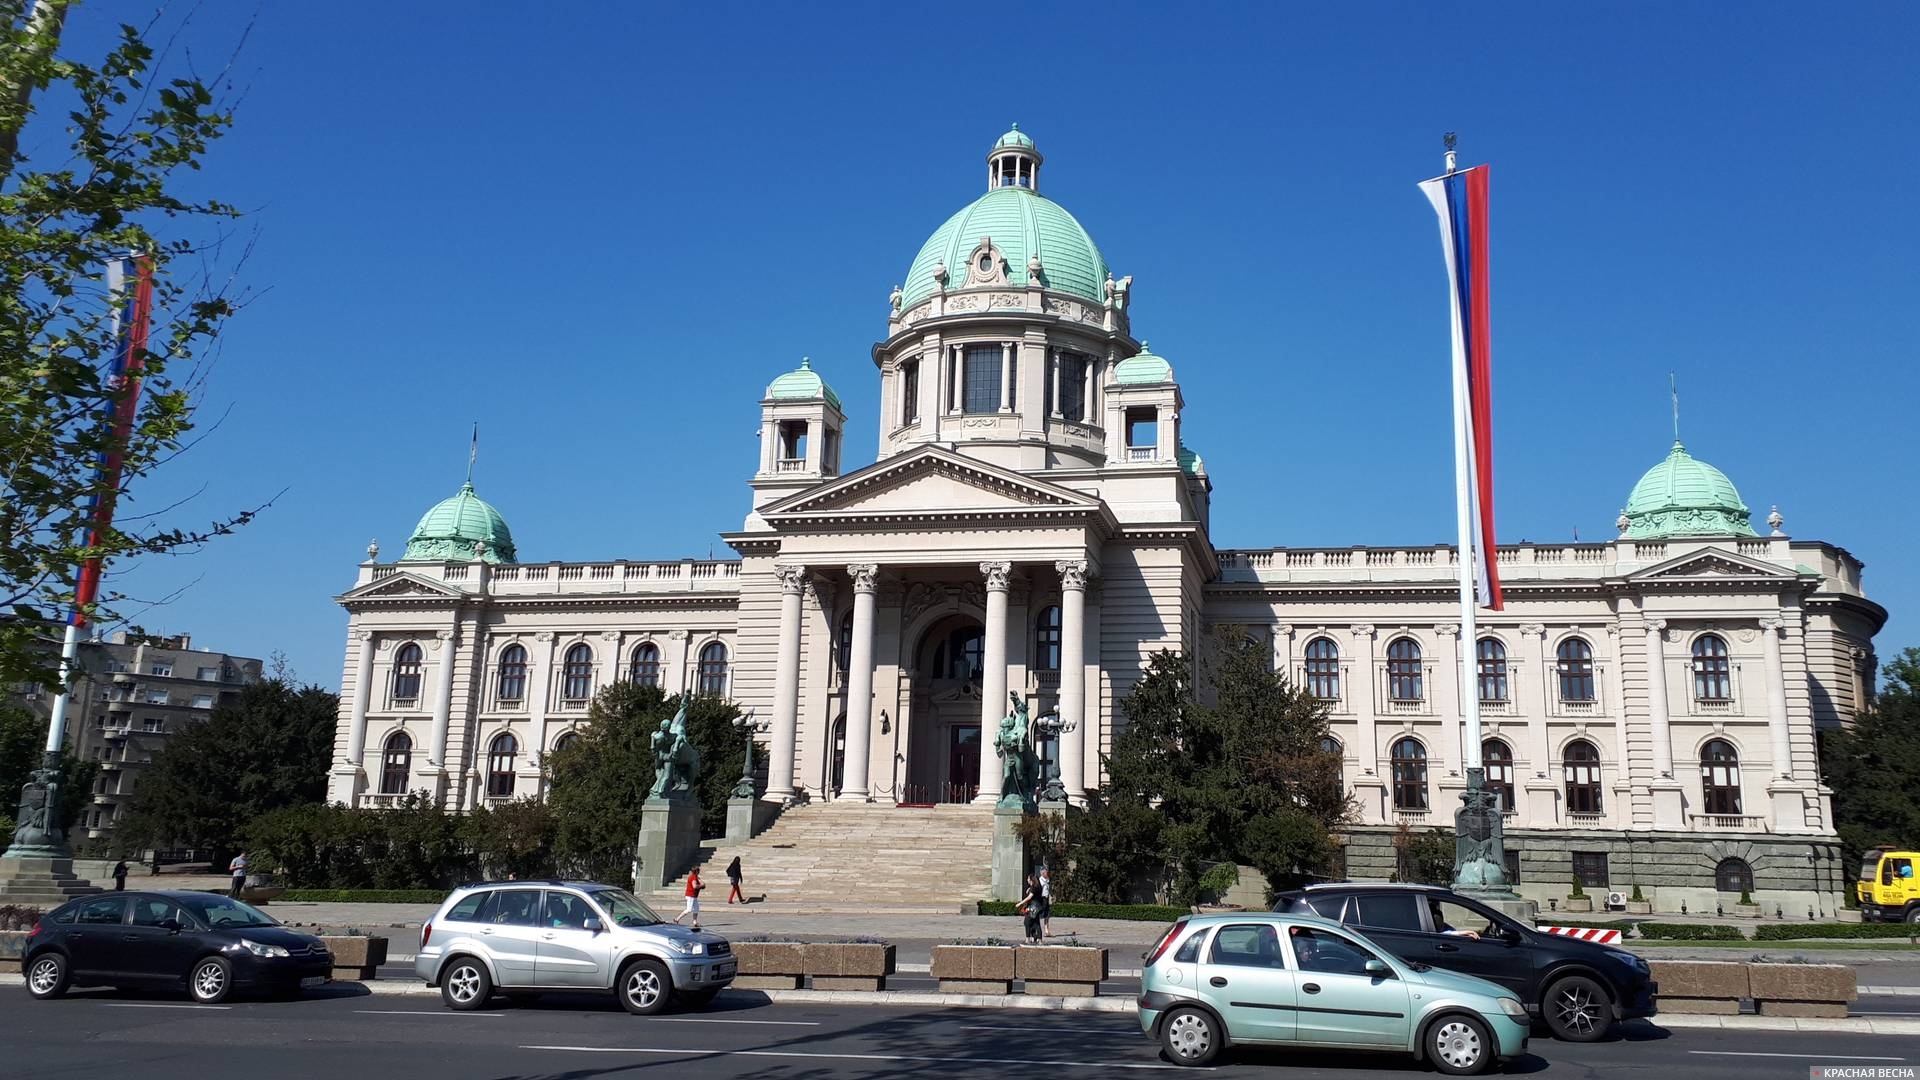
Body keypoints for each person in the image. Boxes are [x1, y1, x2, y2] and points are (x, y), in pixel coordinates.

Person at [1016, 873, 1043, 944]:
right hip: (1037, 908)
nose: (1027, 880)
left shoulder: (1033, 888)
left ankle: (1027, 939)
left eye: (1028, 878)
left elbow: (1029, 897)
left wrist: (1020, 903)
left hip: (1032, 908)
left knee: (1027, 922)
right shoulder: (1038, 887)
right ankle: (1039, 940)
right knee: (1037, 923)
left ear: (1031, 880)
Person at [1036, 864, 1053, 939]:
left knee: (1047, 915)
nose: (1046, 873)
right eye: (1045, 872)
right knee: (1039, 915)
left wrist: (1051, 896)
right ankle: (1037, 930)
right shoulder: (1039, 880)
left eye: (1046, 872)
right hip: (1041, 899)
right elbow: (1037, 890)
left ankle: (1046, 930)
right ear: (1042, 873)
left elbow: (1049, 889)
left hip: (1046, 899)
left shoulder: (1048, 880)